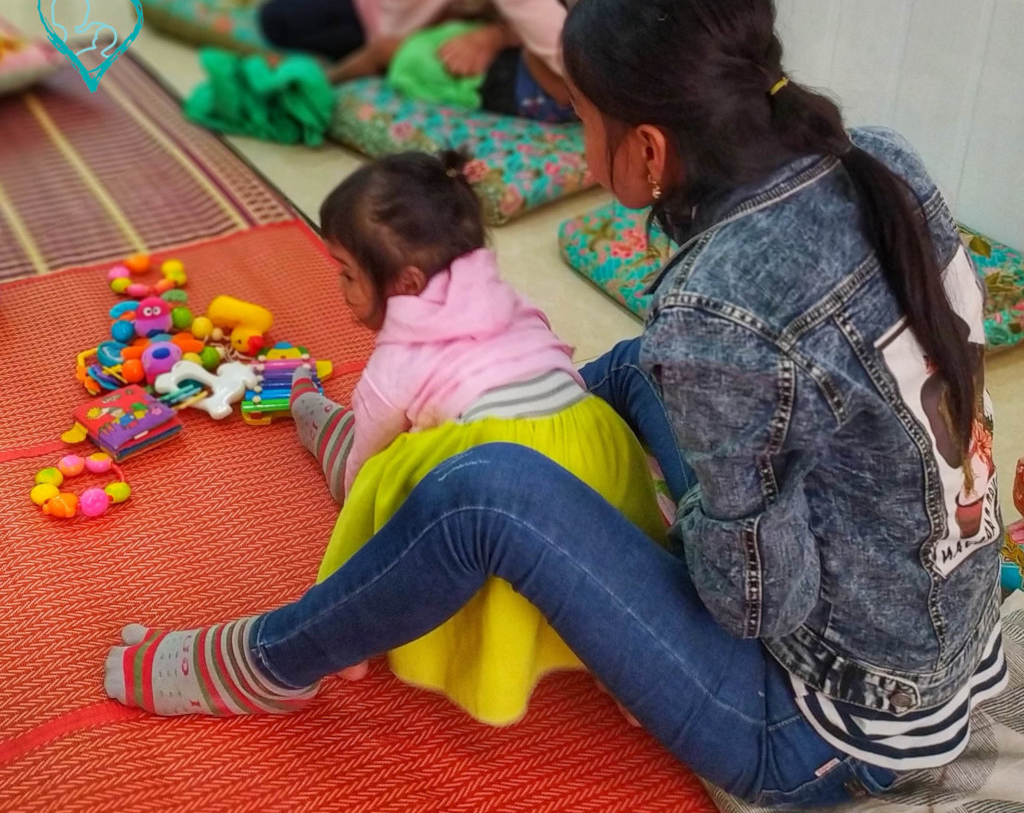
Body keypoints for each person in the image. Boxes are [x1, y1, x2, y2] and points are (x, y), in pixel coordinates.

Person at [102, 0, 1006, 808]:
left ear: (649, 150)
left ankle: (273, 662)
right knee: (617, 377)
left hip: (815, 732)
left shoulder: (715, 313)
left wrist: (672, 510)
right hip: (942, 640)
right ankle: (408, 463)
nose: (578, 142)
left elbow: (759, 603)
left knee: (485, 496)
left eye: (580, 117)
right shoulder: (880, 158)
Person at [104, 150, 665, 727]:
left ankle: (337, 631)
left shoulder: (398, 359)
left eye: (347, 273)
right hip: (596, 446)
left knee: (385, 473)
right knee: (442, 439)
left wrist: (360, 501)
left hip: (499, 465)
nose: (340, 287)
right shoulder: (514, 302)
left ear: (407, 283)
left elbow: (367, 466)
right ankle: (633, 669)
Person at [258, 0, 632, 120]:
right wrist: (606, 92)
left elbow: (584, 10)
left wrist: (496, 36)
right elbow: (528, 3)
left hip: (483, 12)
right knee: (281, 21)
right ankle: (334, 77)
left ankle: (351, 70)